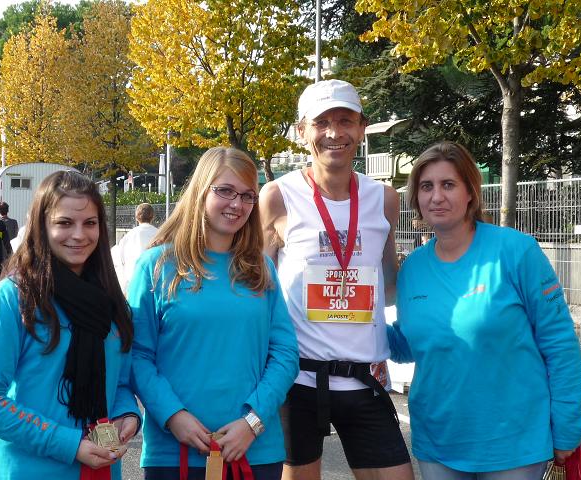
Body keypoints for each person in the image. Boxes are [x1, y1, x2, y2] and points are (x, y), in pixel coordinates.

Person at [388, 141, 581, 479]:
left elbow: (559, 343)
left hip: (512, 444)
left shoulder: (516, 251)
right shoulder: (412, 269)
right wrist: (351, 322)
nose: (436, 196)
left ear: (470, 192)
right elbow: (409, 345)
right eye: (426, 186)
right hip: (438, 440)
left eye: (448, 184)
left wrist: (567, 426)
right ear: (416, 198)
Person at [259, 79, 413, 480]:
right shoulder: (277, 195)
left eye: (345, 121)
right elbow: (258, 290)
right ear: (301, 131)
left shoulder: (385, 198)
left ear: (362, 129)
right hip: (297, 380)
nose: (334, 132)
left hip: (364, 378)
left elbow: (389, 285)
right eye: (321, 122)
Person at [128, 146, 299, 480]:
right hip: (174, 453)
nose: (237, 204)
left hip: (254, 451)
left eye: (247, 196)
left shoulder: (261, 269)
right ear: (201, 191)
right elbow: (137, 355)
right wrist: (173, 415)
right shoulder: (156, 266)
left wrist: (253, 421)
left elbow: (285, 353)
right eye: (225, 191)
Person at [0, 171, 141, 480]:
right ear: (42, 226)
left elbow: (120, 381)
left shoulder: (112, 303)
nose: (79, 235)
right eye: (64, 223)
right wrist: (68, 444)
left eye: (90, 223)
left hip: (99, 468)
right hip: (26, 470)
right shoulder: (12, 299)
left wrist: (128, 414)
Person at [111, 202, 158, 293]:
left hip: (133, 284)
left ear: (136, 217)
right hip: (154, 283)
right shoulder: (159, 234)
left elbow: (120, 261)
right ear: (153, 217)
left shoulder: (128, 236)